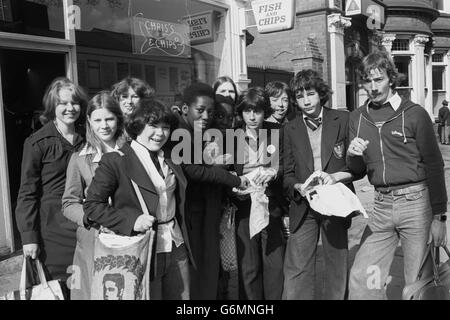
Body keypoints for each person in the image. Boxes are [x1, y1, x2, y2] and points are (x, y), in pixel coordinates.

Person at [347, 50, 448, 300]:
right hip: (380, 208)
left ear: (391, 78)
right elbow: (357, 171)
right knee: (363, 278)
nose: (373, 87)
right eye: (368, 81)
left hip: (417, 206)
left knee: (417, 285)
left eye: (378, 79)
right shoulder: (357, 118)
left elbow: (434, 165)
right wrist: (352, 155)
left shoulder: (414, 114)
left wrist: (440, 218)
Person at [83, 99, 194, 300]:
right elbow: (92, 206)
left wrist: (239, 180)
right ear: (138, 126)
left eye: (166, 127)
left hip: (176, 245)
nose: (160, 133)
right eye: (153, 126)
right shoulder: (116, 160)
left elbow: (200, 174)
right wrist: (132, 221)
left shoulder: (170, 157)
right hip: (141, 247)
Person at [282, 69, 355, 300]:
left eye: (310, 94)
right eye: (300, 96)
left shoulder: (343, 119)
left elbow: (356, 166)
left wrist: (336, 177)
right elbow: (287, 173)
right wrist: (296, 187)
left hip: (335, 204)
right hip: (304, 205)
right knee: (297, 268)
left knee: (336, 265)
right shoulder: (290, 128)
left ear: (320, 94)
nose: (306, 101)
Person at [175, 82, 249, 299]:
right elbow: (193, 170)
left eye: (210, 111)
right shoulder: (180, 131)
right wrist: (229, 177)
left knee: (210, 265)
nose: (206, 116)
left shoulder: (203, 132)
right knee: (199, 268)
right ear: (185, 109)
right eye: (200, 110)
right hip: (192, 212)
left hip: (208, 207)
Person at [15, 77, 87, 288]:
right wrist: (29, 237)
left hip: (85, 223)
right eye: (63, 103)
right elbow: (27, 192)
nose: (70, 108)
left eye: (74, 103)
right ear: (52, 107)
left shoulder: (88, 138)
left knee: (85, 284)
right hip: (52, 229)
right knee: (58, 287)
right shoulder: (38, 142)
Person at [62, 91, 125, 300]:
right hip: (94, 238)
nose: (104, 125)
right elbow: (69, 203)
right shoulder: (80, 158)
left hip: (127, 235)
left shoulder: (132, 152)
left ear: (119, 119)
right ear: (89, 121)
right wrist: (90, 217)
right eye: (97, 120)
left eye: (109, 118)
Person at [232, 87, 286, 300]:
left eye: (257, 111)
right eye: (247, 111)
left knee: (274, 264)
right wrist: (233, 187)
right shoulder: (232, 135)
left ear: (265, 111)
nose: (252, 117)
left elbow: (287, 163)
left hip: (270, 204)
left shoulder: (277, 132)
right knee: (249, 265)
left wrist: (274, 171)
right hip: (243, 205)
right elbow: (225, 171)